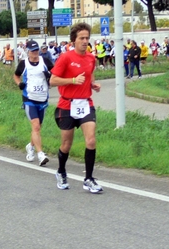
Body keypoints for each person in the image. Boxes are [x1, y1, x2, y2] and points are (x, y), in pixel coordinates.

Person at [49, 22, 103, 194]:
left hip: (86, 103)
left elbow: (90, 74)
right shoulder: (65, 58)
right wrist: (72, 81)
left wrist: (93, 84)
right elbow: (52, 80)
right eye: (82, 38)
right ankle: (61, 171)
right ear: (73, 40)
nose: (85, 41)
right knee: (66, 144)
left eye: (87, 38)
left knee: (91, 140)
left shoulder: (91, 58)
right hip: (67, 105)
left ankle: (89, 178)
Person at [13, 40, 54, 166]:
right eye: (32, 51)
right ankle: (41, 154)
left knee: (37, 127)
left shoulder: (45, 62)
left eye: (36, 50)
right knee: (35, 126)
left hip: (42, 99)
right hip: (29, 99)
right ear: (28, 51)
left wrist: (50, 75)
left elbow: (56, 74)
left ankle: (30, 146)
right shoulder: (23, 63)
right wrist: (19, 83)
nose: (35, 53)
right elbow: (16, 75)